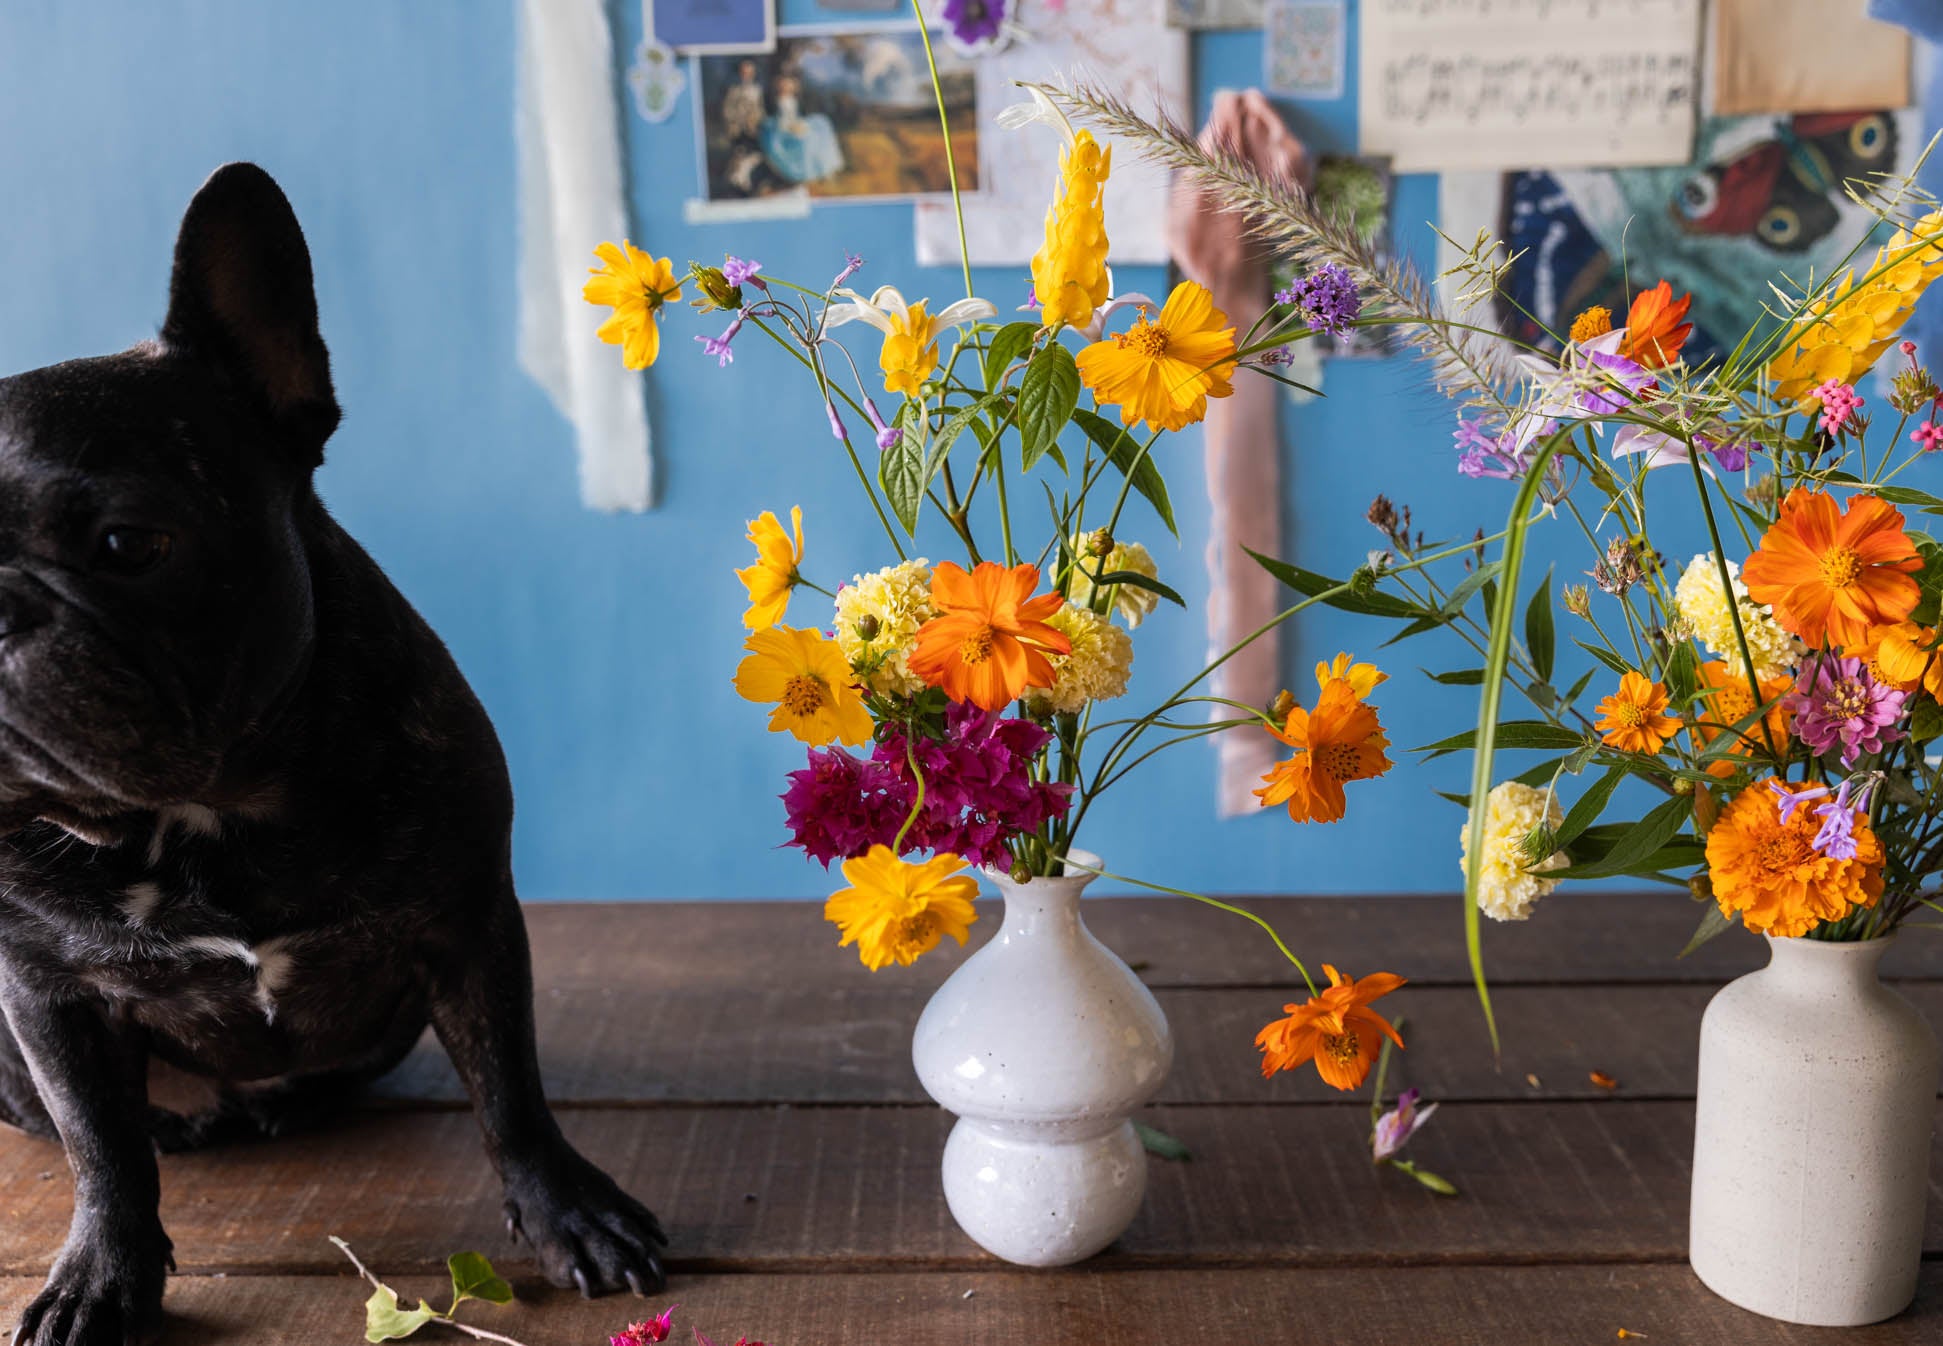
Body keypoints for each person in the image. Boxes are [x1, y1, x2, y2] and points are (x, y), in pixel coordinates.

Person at [760, 71, 844, 184]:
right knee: (806, 140)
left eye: (789, 84)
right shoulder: (772, 101)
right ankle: (807, 173)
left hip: (797, 125)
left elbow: (801, 115)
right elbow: (771, 120)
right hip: (781, 131)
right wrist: (790, 127)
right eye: (783, 84)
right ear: (778, 85)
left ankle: (825, 168)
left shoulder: (796, 100)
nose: (786, 86)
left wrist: (801, 124)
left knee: (821, 124)